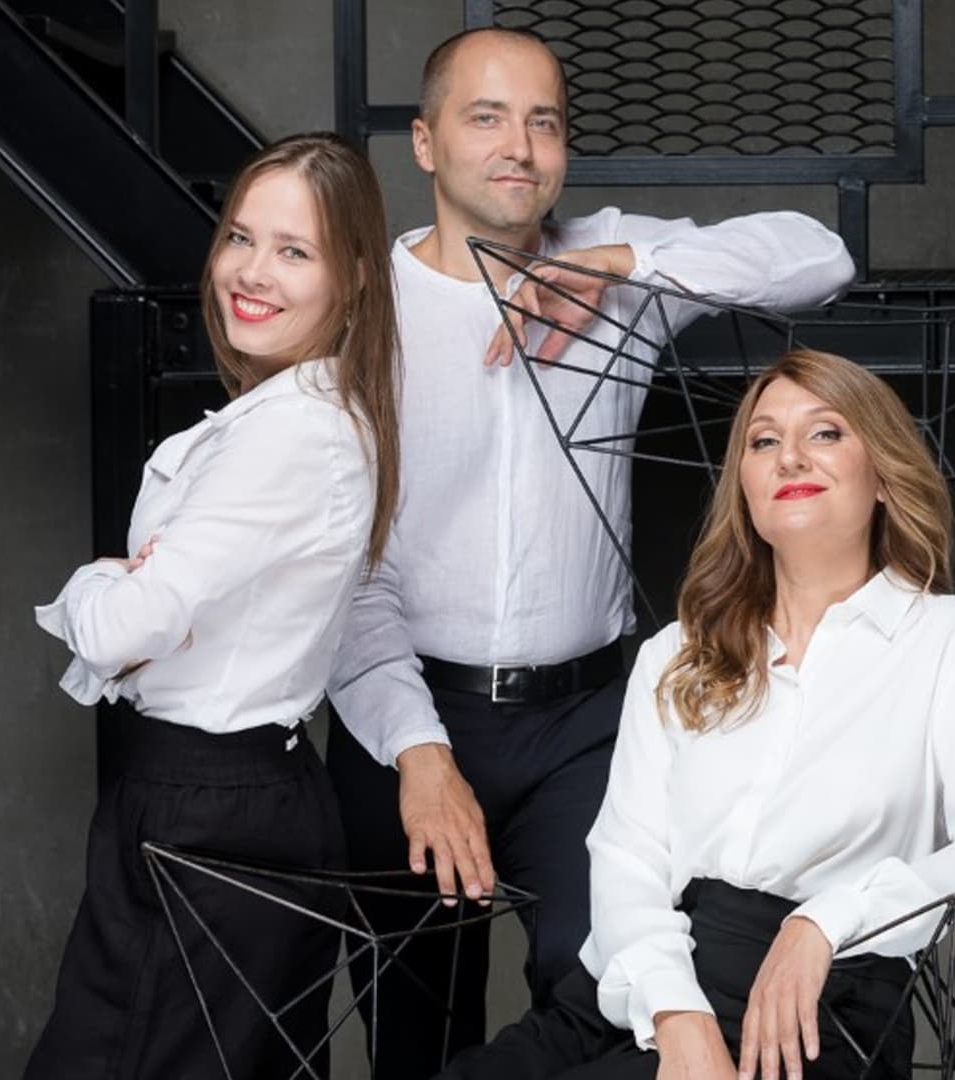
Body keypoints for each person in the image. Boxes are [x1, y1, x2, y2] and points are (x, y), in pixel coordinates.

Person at [324, 26, 858, 1076]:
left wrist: (614, 264)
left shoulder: (617, 265)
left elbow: (819, 257)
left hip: (584, 725)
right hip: (402, 709)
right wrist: (418, 753)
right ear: (426, 144)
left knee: (607, 996)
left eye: (545, 122)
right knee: (413, 1024)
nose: (519, 146)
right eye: (486, 118)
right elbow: (346, 571)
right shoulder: (363, 308)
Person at [433, 347, 955, 1080]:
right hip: (637, 985)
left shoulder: (950, 638)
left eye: (825, 432)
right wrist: (678, 1013)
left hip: (813, 1005)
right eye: (764, 441)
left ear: (884, 475)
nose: (790, 456)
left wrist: (827, 920)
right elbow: (628, 859)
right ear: (747, 490)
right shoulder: (677, 653)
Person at [23, 133, 400, 1079]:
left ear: (354, 278)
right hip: (233, 798)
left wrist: (97, 580)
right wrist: (133, 595)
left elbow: (122, 628)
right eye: (240, 237)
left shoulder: (291, 436)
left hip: (210, 807)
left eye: (294, 251)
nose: (252, 272)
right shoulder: (300, 420)